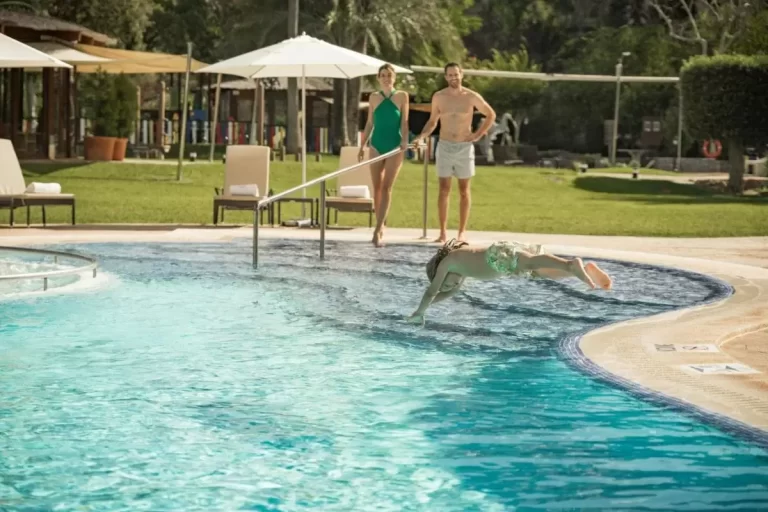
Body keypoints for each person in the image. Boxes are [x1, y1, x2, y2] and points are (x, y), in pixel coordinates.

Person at [406, 239, 613, 325]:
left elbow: (431, 291)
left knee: (530, 262)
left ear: (438, 269)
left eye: (445, 283)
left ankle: (570, 264)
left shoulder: (449, 263)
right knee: (538, 271)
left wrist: (419, 312)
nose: (449, 286)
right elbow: (445, 294)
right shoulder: (459, 275)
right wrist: (428, 308)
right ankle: (585, 271)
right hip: (504, 264)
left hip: (496, 256)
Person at [412, 63, 496, 244]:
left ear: (461, 75)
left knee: (464, 191)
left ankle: (462, 233)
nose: (453, 78)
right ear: (445, 77)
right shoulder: (439, 97)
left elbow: (490, 114)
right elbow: (433, 121)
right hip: (444, 146)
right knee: (443, 190)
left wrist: (477, 135)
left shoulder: (471, 96)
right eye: (449, 75)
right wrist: (421, 137)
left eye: (456, 74)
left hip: (464, 148)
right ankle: (442, 232)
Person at [359, 63, 410, 248]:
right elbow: (370, 123)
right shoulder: (373, 97)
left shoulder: (402, 96)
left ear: (394, 77)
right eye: (383, 75)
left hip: (394, 146)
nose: (386, 78)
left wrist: (404, 141)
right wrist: (362, 145)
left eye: (389, 75)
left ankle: (378, 228)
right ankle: (380, 222)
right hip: (376, 145)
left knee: (387, 187)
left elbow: (404, 122)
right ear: (378, 78)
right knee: (377, 188)